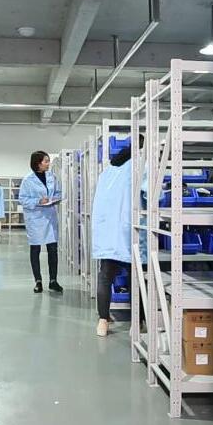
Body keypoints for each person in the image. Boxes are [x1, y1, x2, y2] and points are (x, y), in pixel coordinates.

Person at [91, 140, 143, 337]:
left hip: (107, 230)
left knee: (106, 276)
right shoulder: (139, 165)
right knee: (135, 278)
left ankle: (103, 321)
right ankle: (137, 323)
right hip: (127, 230)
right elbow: (153, 194)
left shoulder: (108, 170)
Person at [19, 150, 62, 294]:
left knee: (52, 249)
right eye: (46, 161)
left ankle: (53, 281)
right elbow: (22, 199)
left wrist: (55, 199)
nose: (48, 164)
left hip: (50, 217)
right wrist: (38, 201)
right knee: (35, 249)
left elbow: (58, 192)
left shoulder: (52, 177)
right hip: (35, 218)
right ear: (38, 163)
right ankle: (38, 281)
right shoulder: (28, 180)